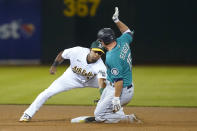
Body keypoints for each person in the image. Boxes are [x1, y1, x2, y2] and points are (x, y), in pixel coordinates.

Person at [19, 41, 107, 122]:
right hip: (71, 77)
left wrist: (103, 95)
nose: (97, 54)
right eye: (95, 51)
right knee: (48, 92)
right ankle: (27, 114)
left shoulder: (100, 66)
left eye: (100, 53)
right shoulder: (77, 51)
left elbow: (101, 82)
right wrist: (54, 65)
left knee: (111, 86)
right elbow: (62, 54)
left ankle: (110, 113)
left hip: (91, 80)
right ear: (90, 50)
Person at [94, 7, 142, 123]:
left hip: (120, 90)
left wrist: (116, 99)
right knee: (101, 107)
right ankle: (117, 112)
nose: (99, 42)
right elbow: (128, 32)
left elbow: (119, 81)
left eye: (100, 41)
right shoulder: (122, 41)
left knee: (99, 115)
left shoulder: (112, 57)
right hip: (120, 87)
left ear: (103, 42)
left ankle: (128, 119)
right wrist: (116, 20)